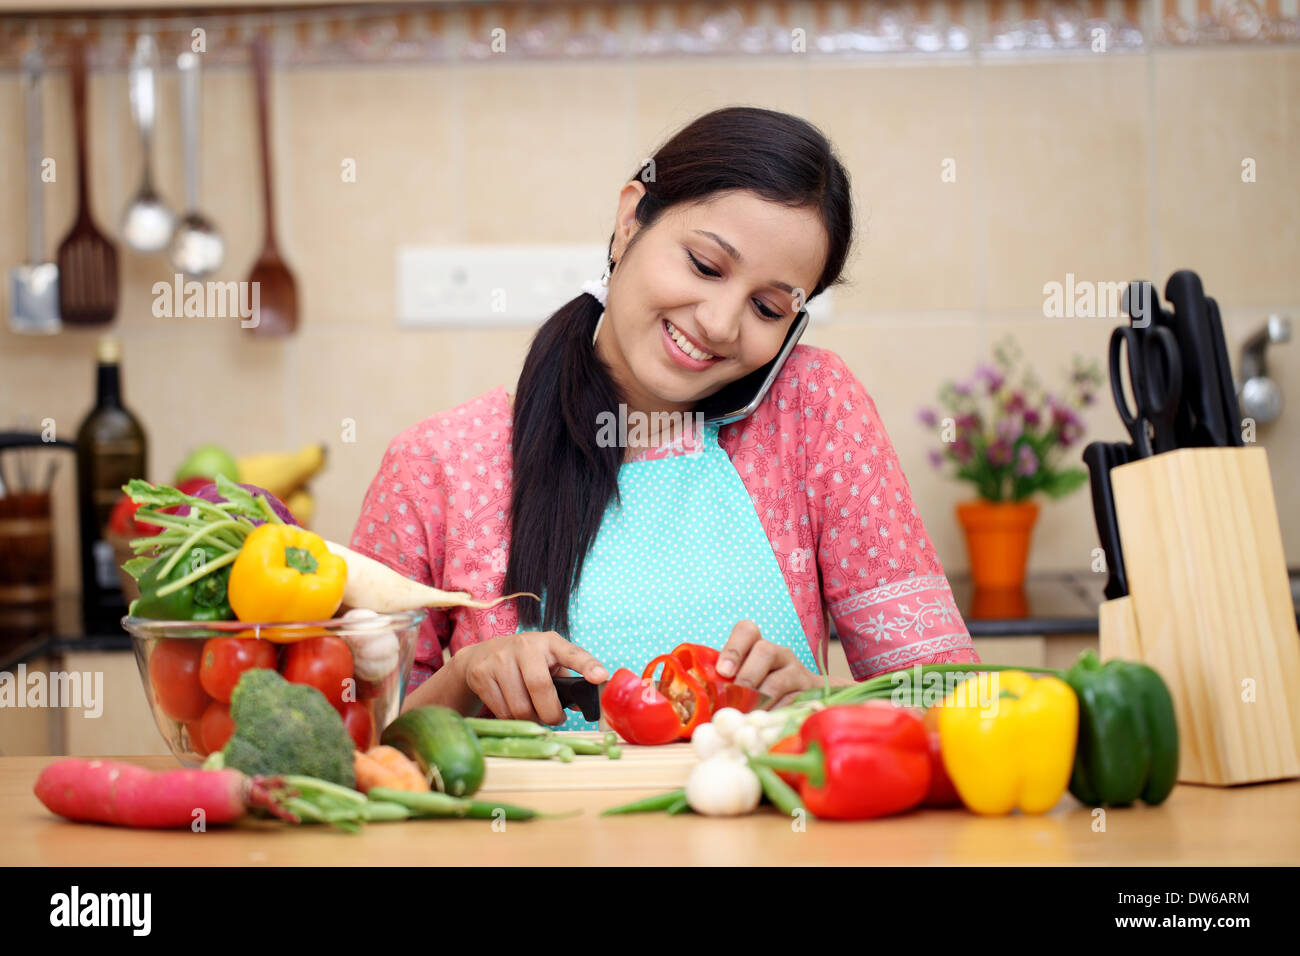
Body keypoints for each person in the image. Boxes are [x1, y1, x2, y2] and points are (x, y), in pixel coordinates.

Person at [350, 106, 978, 730]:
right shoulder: (438, 464)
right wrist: (464, 680)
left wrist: (821, 699)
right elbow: (346, 735)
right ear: (629, 221)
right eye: (705, 266)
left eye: (766, 307)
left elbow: (956, 698)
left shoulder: (813, 411)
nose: (720, 323)